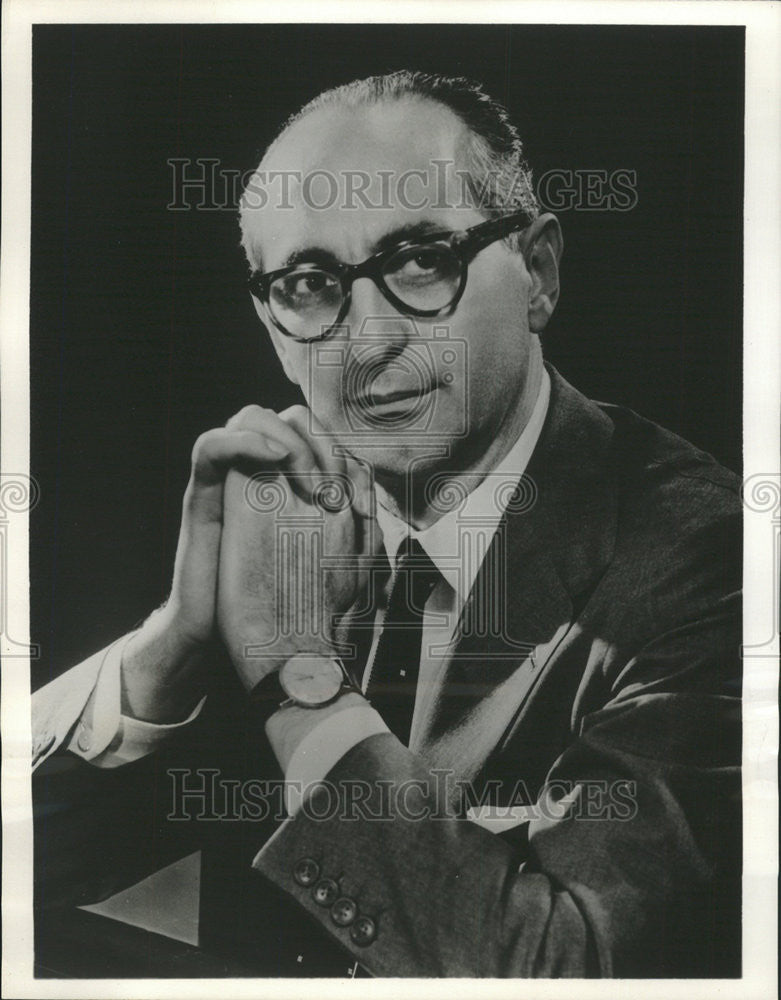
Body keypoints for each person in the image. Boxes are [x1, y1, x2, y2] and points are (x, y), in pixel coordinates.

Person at [32, 70, 741, 978]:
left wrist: (300, 680)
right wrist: (178, 642)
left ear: (537, 274)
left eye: (420, 263)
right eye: (309, 283)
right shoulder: (287, 518)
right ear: (275, 327)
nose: (367, 340)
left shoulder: (719, 566)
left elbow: (567, 969)